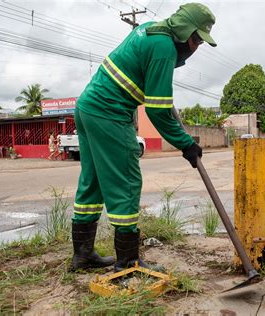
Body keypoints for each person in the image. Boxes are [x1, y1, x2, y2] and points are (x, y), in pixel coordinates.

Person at [69, 3, 216, 272]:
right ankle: (127, 261)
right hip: (108, 113)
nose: (196, 47)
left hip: (87, 107)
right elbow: (158, 111)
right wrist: (186, 144)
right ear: (184, 32)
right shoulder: (163, 49)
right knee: (126, 180)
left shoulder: (150, 30)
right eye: (196, 39)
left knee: (93, 181)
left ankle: (83, 255)